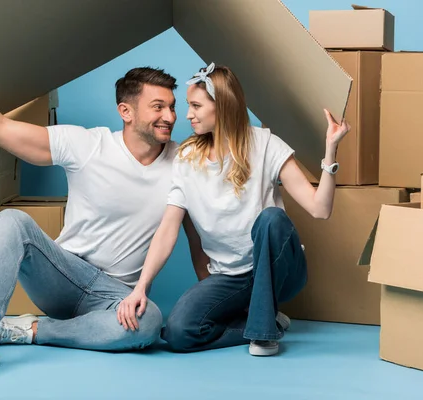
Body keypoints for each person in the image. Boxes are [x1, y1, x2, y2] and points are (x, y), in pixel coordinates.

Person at [0, 36, 206, 380]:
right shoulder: (87, 144)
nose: (170, 116)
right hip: (64, 277)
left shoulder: (185, 162)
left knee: (150, 324)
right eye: (158, 107)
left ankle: (29, 331)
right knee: (12, 220)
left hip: (118, 298)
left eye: (172, 107)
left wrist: (218, 303)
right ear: (125, 112)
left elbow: (196, 237)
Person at [117, 62, 350, 356]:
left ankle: (263, 335)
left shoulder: (266, 144)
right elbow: (168, 228)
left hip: (280, 270)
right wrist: (140, 287)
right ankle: (265, 322)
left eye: (196, 106)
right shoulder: (187, 157)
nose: (186, 115)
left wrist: (330, 150)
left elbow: (320, 209)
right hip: (230, 278)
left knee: (271, 218)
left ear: (223, 106)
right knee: (177, 333)